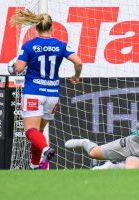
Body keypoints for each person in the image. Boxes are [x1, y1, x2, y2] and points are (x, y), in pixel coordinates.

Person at [9, 9, 83, 169]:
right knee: (39, 131)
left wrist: (12, 65)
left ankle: (45, 149)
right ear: (52, 27)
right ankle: (36, 164)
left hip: (34, 92)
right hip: (52, 95)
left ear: (36, 28)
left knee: (30, 130)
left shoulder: (29, 46)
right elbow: (78, 62)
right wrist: (76, 76)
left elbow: (18, 68)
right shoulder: (61, 45)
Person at [65, 94, 139, 169]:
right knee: (93, 153)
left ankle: (111, 167)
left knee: (130, 172)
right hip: (128, 144)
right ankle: (84, 142)